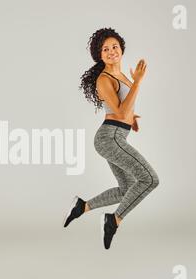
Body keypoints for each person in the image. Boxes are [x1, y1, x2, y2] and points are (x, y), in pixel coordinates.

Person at [63, 27, 160, 250]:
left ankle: (82, 206)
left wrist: (131, 118)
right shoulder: (104, 79)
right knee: (150, 180)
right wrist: (138, 82)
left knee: (127, 189)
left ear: (121, 49)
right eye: (105, 49)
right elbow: (117, 112)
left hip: (117, 136)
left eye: (114, 47)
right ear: (99, 55)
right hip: (110, 138)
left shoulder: (121, 75)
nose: (111, 51)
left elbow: (124, 109)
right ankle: (113, 220)